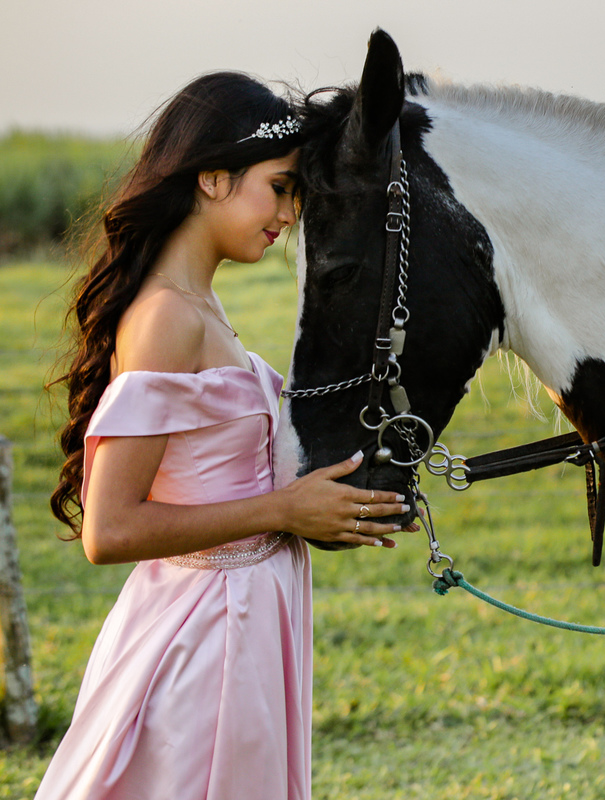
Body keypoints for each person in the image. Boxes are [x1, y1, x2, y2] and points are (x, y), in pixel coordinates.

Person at [40, 72, 405, 800]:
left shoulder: (201, 306)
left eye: (297, 194)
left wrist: (344, 498)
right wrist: (282, 512)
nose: (290, 213)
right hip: (206, 639)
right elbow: (108, 530)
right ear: (212, 178)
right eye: (279, 187)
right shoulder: (167, 318)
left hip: (245, 625)